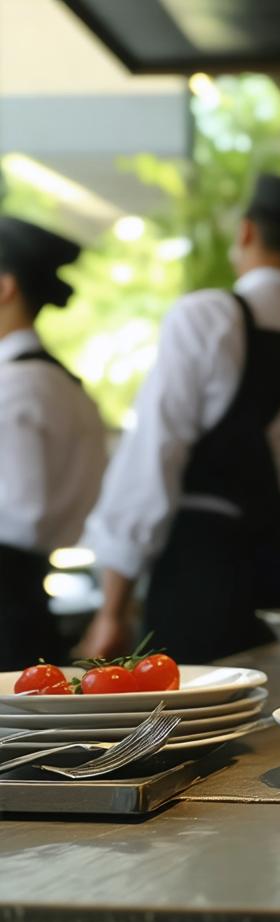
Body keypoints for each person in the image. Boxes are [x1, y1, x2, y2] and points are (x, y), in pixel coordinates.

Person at [81, 173, 280, 662]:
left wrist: (112, 609)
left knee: (187, 730)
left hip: (199, 576)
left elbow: (151, 461)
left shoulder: (206, 317)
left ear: (246, 232)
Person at [0, 216, 106, 670]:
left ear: (5, 287)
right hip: (26, 604)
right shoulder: (67, 386)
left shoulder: (15, 385)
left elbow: (23, 516)